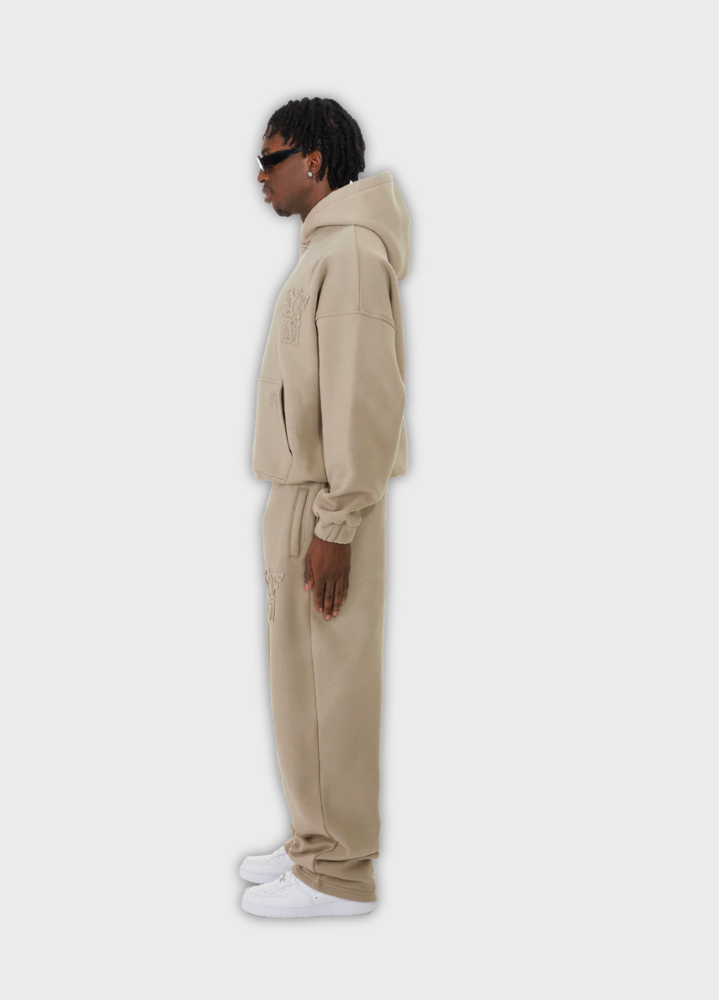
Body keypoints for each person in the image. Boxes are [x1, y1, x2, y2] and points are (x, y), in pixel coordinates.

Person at [240, 97, 410, 919]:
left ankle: (338, 874)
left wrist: (336, 522)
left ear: (314, 161)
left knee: (330, 683)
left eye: (269, 160)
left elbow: (360, 398)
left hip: (327, 501)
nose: (259, 177)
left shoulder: (349, 254)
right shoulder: (326, 250)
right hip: (304, 493)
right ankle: (315, 839)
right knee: (301, 683)